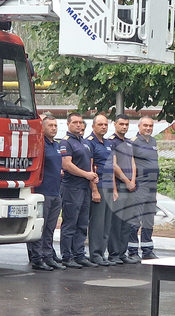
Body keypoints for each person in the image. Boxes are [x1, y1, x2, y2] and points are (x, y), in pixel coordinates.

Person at [59, 112, 99, 268]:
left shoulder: (84, 142)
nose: (78, 125)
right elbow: (66, 165)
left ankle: (79, 254)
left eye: (81, 122)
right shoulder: (66, 142)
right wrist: (87, 175)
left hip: (84, 188)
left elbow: (88, 164)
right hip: (71, 187)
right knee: (70, 223)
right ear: (68, 124)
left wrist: (92, 177)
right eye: (75, 122)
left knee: (82, 223)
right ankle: (67, 256)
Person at [29, 113, 65, 270]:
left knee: (50, 228)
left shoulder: (56, 145)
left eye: (56, 125)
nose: (54, 128)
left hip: (56, 191)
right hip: (43, 191)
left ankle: (48, 256)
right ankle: (37, 258)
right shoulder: (40, 144)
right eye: (50, 125)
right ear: (42, 128)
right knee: (40, 227)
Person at [86, 113, 115, 266]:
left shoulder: (108, 143)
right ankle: (95, 254)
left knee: (106, 223)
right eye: (100, 124)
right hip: (100, 186)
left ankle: (102, 253)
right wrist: (94, 190)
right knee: (97, 222)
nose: (103, 127)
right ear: (93, 126)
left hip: (109, 186)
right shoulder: (90, 143)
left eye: (105, 125)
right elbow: (90, 168)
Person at [109, 114, 138, 264]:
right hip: (120, 186)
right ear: (115, 124)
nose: (124, 127)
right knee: (117, 222)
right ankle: (113, 253)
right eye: (121, 124)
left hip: (130, 187)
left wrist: (132, 180)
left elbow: (132, 163)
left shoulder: (128, 143)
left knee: (127, 222)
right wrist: (126, 181)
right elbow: (113, 166)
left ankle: (122, 253)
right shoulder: (111, 142)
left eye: (126, 124)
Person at [129, 117, 159, 260]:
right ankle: (133, 251)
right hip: (140, 186)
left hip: (152, 187)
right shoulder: (133, 142)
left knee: (149, 219)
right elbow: (129, 163)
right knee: (135, 219)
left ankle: (147, 250)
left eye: (150, 126)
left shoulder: (153, 141)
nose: (148, 128)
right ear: (139, 126)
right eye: (145, 125)